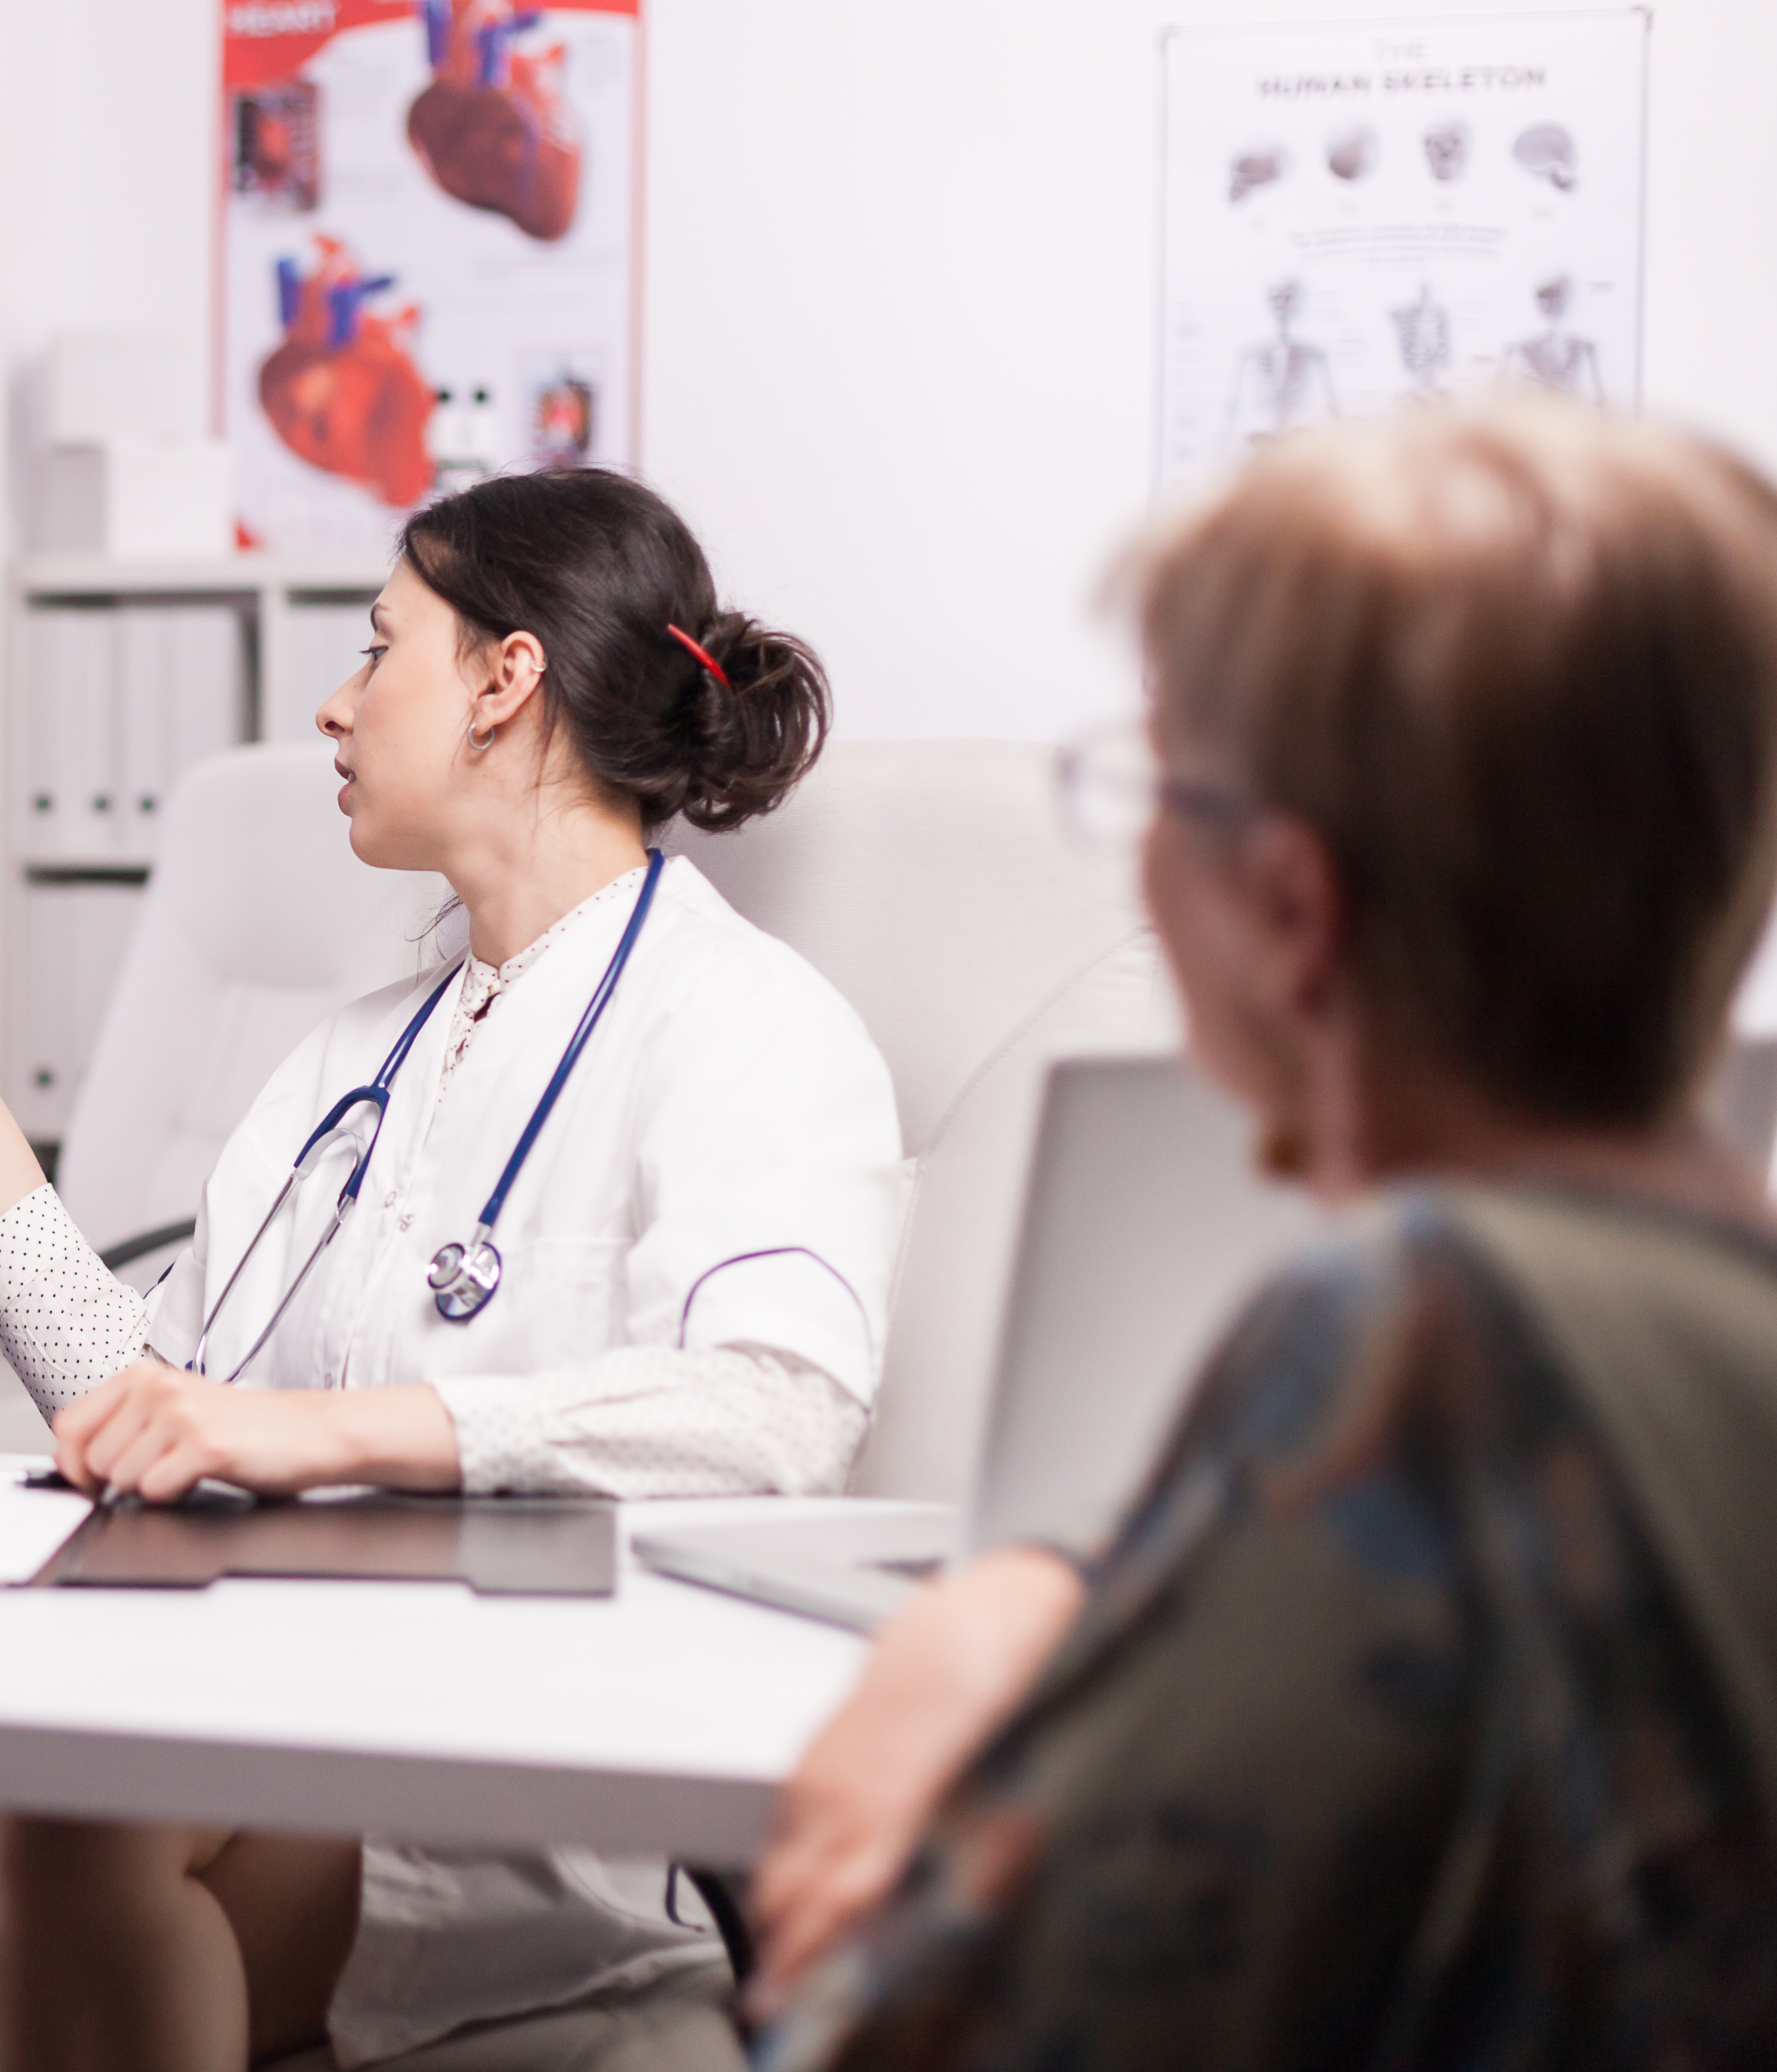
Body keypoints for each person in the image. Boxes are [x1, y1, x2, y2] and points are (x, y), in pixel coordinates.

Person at [0, 465, 908, 2071]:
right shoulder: (353, 1053)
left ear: (502, 680)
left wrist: (339, 1431)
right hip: (280, 1700)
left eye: (376, 648)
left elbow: (780, 1408)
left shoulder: (742, 1022)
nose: (333, 707)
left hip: (525, 1740)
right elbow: (153, 1403)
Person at [752, 399, 1777, 2068]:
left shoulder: (1420, 1335)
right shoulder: (1702, 1308)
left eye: (1155, 782)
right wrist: (1050, 1583)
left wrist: (918, 1750)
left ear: (1294, 913)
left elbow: (932, 2042)